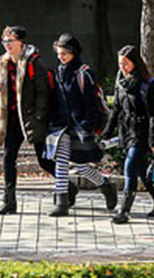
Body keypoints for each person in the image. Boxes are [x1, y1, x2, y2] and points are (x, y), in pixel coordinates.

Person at [45, 32, 118, 217]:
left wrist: (87, 125)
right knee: (61, 162)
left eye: (65, 53)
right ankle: (62, 203)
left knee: (80, 164)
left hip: (80, 125)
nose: (61, 57)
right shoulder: (58, 71)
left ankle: (105, 185)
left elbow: (91, 103)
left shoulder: (84, 73)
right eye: (59, 53)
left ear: (74, 52)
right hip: (61, 126)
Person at [101, 45, 154, 224]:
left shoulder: (149, 85)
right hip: (127, 132)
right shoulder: (121, 82)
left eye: (125, 64)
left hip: (143, 133)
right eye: (120, 64)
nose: (122, 68)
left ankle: (124, 211)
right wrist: (107, 133)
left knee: (130, 167)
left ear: (135, 63)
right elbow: (116, 109)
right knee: (141, 170)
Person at [0, 25, 56, 215]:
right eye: (4, 41)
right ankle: (9, 201)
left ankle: (67, 187)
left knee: (44, 161)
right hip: (11, 119)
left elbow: (43, 92)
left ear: (20, 42)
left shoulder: (33, 61)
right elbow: (0, 92)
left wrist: (39, 116)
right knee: (8, 159)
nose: (7, 44)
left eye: (10, 41)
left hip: (30, 118)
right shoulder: (2, 62)